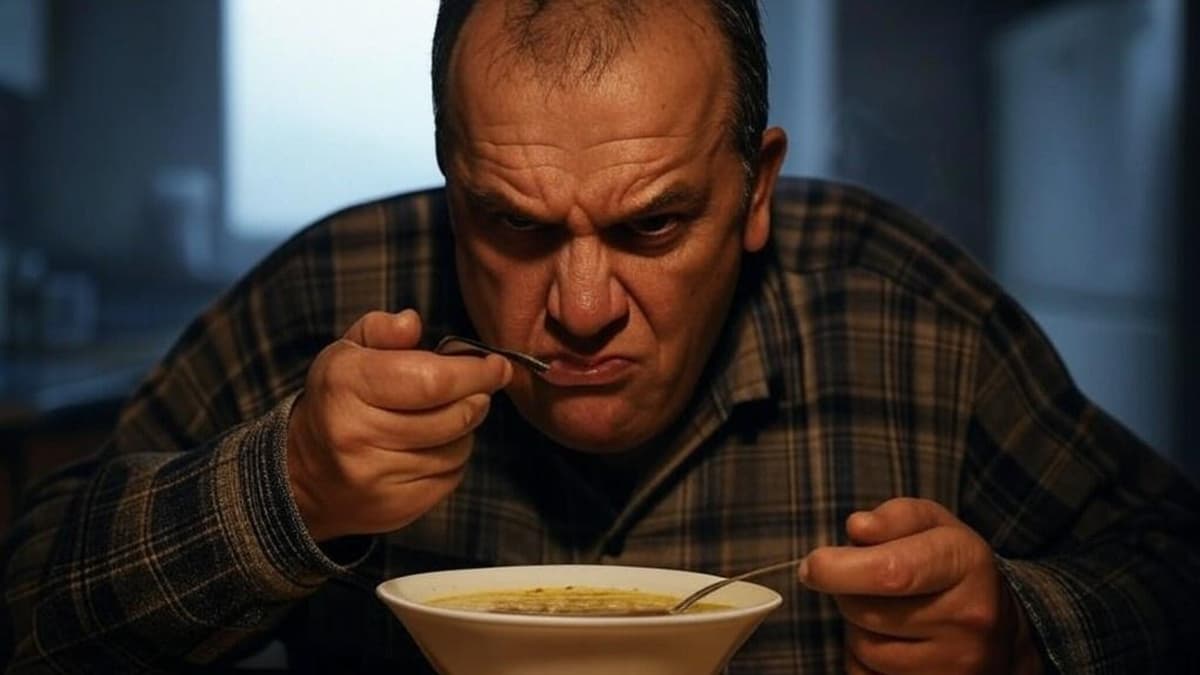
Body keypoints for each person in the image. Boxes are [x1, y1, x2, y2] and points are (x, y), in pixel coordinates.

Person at [3, 0, 1198, 672]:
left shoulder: (904, 311)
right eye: (510, 223)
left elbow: (1172, 566)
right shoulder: (332, 290)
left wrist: (1025, 636)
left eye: (655, 223)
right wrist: (290, 487)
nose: (579, 307)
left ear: (756, 186)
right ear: (450, 182)